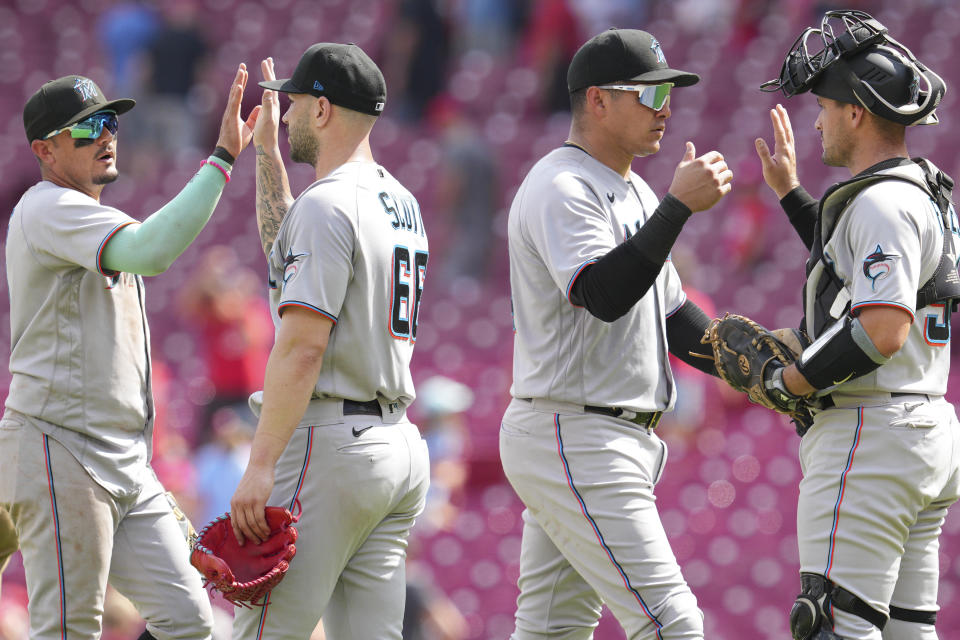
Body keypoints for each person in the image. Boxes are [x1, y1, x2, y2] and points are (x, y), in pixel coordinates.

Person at [0, 67, 256, 638]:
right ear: (45, 150)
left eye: (110, 121)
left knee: (192, 622)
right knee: (69, 628)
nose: (107, 134)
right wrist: (221, 159)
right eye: (87, 127)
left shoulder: (90, 216)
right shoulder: (45, 207)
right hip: (59, 444)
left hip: (124, 460)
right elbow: (155, 249)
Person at [499, 28, 733, 639]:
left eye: (668, 95)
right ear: (597, 101)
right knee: (673, 624)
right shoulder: (562, 184)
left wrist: (761, 367)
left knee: (552, 631)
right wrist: (676, 208)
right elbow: (602, 295)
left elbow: (676, 319)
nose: (666, 109)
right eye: (650, 95)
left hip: (596, 430)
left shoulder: (633, 187)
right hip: (575, 430)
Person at [753, 10, 960, 640]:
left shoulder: (880, 203)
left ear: (856, 112)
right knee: (906, 633)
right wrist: (791, 193)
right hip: (923, 429)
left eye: (823, 104)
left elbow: (880, 328)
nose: (816, 118)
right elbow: (853, 269)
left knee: (833, 629)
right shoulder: (920, 192)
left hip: (871, 438)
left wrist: (791, 380)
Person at [229, 44, 430, 639]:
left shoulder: (327, 204)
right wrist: (267, 153)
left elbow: (302, 347)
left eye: (291, 104)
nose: (283, 115)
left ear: (322, 111)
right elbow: (288, 252)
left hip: (330, 446)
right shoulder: (401, 201)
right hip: (393, 447)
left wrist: (260, 464)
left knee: (262, 634)